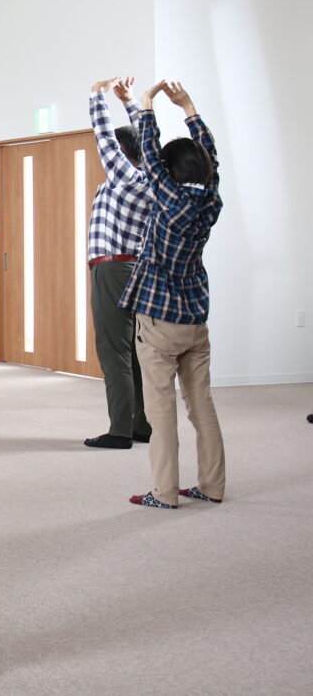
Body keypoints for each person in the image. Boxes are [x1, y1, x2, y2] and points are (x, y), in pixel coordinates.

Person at [119, 80, 225, 510]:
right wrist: (189, 109)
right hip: (195, 318)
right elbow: (211, 161)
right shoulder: (210, 200)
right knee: (203, 408)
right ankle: (213, 486)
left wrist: (144, 105)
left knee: (160, 410)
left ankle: (164, 493)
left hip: (159, 321)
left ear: (171, 172)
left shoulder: (167, 199)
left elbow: (148, 153)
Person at [83, 76, 154, 449]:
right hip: (133, 268)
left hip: (113, 269)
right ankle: (140, 424)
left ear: (124, 154)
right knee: (134, 353)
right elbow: (147, 143)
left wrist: (98, 97)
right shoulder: (147, 178)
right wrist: (130, 103)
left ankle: (119, 431)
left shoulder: (126, 177)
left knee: (114, 352)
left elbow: (104, 138)